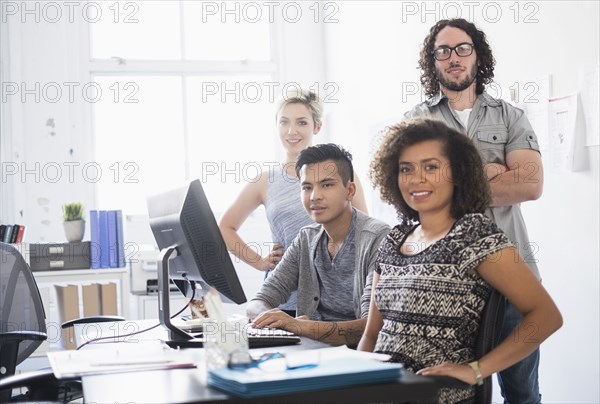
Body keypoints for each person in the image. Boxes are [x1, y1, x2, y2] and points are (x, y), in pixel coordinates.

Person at [358, 119, 562, 403]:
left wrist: (476, 370)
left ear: (457, 173)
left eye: (431, 167)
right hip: (381, 391)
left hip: (435, 395)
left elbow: (547, 316)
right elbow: (371, 335)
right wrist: (353, 385)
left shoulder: (473, 235)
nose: (417, 178)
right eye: (406, 169)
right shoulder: (394, 239)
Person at [403, 18, 545, 402]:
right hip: (447, 281)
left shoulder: (510, 116)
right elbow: (413, 196)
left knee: (522, 393)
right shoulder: (416, 122)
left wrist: (450, 181)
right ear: (432, 62)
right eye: (443, 51)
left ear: (477, 55)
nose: (454, 57)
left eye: (462, 48)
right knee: (457, 391)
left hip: (513, 277)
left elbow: (530, 185)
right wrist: (494, 172)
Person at [219, 88, 368, 314]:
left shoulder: (341, 173)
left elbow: (363, 228)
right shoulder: (265, 181)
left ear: (316, 126)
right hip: (285, 298)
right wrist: (259, 262)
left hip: (335, 296)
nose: (292, 131)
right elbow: (225, 228)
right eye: (284, 122)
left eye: (301, 122)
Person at [247, 143, 390, 345]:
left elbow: (370, 327)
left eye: (327, 185)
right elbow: (258, 301)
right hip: (313, 352)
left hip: (359, 357)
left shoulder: (378, 238)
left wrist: (301, 326)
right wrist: (269, 317)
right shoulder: (306, 238)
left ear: (350, 191)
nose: (315, 196)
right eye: (307, 187)